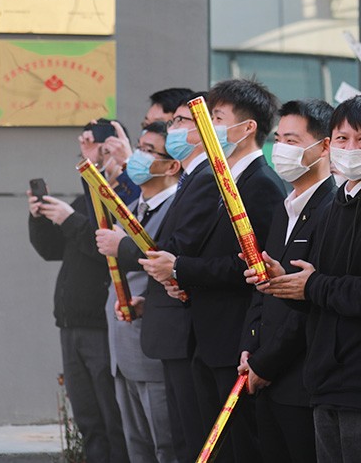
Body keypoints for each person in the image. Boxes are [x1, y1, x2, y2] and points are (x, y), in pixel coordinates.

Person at [265, 95, 361, 462]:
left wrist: (311, 286)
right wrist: (286, 283)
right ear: (330, 144)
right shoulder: (335, 204)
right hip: (327, 378)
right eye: (342, 139)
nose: (351, 148)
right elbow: (317, 285)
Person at [144, 78, 286, 463]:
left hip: (234, 336)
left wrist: (182, 268)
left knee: (239, 447)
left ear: (247, 127)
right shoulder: (226, 180)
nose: (208, 127)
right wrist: (181, 277)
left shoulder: (262, 184)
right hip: (208, 335)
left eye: (217, 118)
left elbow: (250, 264)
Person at [240, 99, 336, 463]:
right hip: (266, 376)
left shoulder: (331, 209)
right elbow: (263, 285)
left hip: (301, 380)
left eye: (292, 141)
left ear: (324, 146)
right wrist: (250, 347)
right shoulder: (285, 208)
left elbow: (307, 301)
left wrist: (266, 364)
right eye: (278, 139)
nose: (280, 149)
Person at [29, 122, 131, 463]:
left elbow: (107, 249)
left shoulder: (128, 199)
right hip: (71, 324)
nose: (86, 152)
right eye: (83, 147)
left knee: (112, 416)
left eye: (95, 146)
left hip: (101, 324)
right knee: (88, 418)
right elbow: (51, 250)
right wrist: (40, 218)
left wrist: (70, 219)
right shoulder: (84, 200)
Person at [136, 92, 216, 463]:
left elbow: (180, 248)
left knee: (189, 439)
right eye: (173, 122)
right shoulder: (191, 178)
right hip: (171, 325)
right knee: (178, 436)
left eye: (181, 121)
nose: (174, 129)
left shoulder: (206, 178)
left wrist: (171, 269)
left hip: (187, 328)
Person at [95, 121, 182, 463]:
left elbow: (162, 261)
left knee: (166, 445)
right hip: (123, 347)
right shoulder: (134, 208)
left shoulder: (177, 209)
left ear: (172, 166)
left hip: (153, 349)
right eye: (139, 148)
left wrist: (125, 247)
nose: (138, 157)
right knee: (137, 446)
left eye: (148, 151)